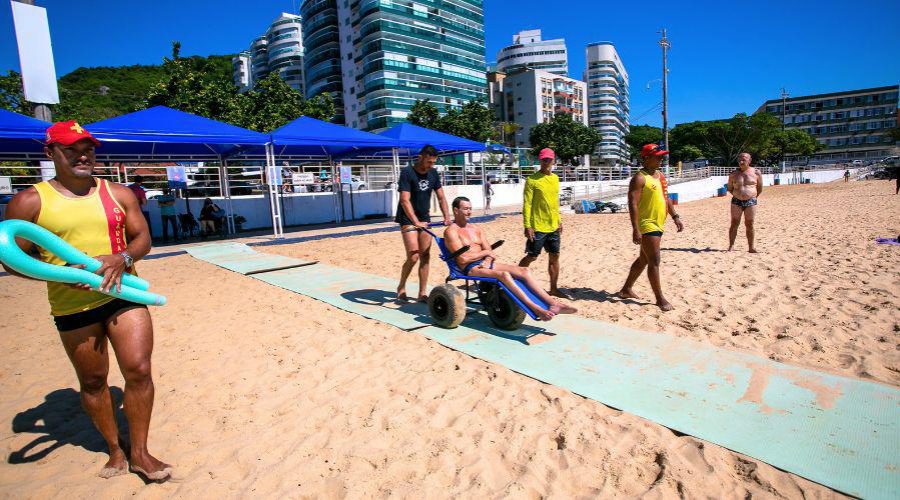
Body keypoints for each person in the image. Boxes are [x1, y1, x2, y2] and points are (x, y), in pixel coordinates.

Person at [1, 121, 171, 481]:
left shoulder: (118, 193)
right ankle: (114, 449)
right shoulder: (29, 201)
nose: (83, 155)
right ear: (50, 153)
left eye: (88, 148)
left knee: (139, 370)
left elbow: (142, 238)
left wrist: (122, 259)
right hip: (71, 304)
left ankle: (140, 452)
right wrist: (62, 275)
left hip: (123, 294)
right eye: (72, 149)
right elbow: (12, 260)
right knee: (94, 382)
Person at [444, 197, 576, 321]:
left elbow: (490, 252)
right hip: (470, 268)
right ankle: (534, 307)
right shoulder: (452, 231)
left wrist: (488, 259)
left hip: (485, 263)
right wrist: (485, 253)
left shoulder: (476, 228)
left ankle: (553, 304)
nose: (469, 212)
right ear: (456, 210)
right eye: (466, 209)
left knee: (524, 271)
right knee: (504, 275)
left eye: (470, 208)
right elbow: (462, 259)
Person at [619, 144, 684, 311]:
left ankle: (626, 289)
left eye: (662, 156)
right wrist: (635, 228)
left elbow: (666, 198)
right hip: (647, 224)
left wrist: (675, 216)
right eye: (658, 156)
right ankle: (659, 299)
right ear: (646, 158)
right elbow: (632, 203)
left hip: (659, 222)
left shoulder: (660, 176)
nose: (661, 159)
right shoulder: (639, 178)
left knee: (643, 259)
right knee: (654, 260)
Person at [395, 145, 452, 302]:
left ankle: (422, 293)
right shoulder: (407, 172)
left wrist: (447, 216)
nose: (430, 165)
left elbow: (441, 197)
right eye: (428, 162)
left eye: (433, 162)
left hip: (424, 217)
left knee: (425, 255)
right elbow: (404, 200)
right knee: (413, 256)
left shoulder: (433, 173)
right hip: (408, 218)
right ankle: (401, 287)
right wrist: (415, 222)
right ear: (420, 157)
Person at [518, 148, 569, 299]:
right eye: (543, 159)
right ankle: (515, 279)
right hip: (538, 226)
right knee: (532, 256)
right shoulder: (532, 180)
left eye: (549, 159)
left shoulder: (555, 179)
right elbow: (527, 204)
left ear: (553, 160)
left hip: (553, 226)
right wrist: (527, 225)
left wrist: (559, 221)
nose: (546, 162)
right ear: (539, 160)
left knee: (555, 256)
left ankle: (553, 288)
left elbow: (554, 203)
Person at [727, 152, 763, 252]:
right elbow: (729, 188)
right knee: (734, 223)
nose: (741, 161)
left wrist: (751, 196)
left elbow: (759, 188)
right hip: (736, 202)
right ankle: (731, 246)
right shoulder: (733, 174)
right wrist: (739, 195)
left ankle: (751, 247)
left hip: (751, 201)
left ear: (749, 161)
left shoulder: (756, 173)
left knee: (750, 224)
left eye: (744, 159)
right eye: (740, 160)